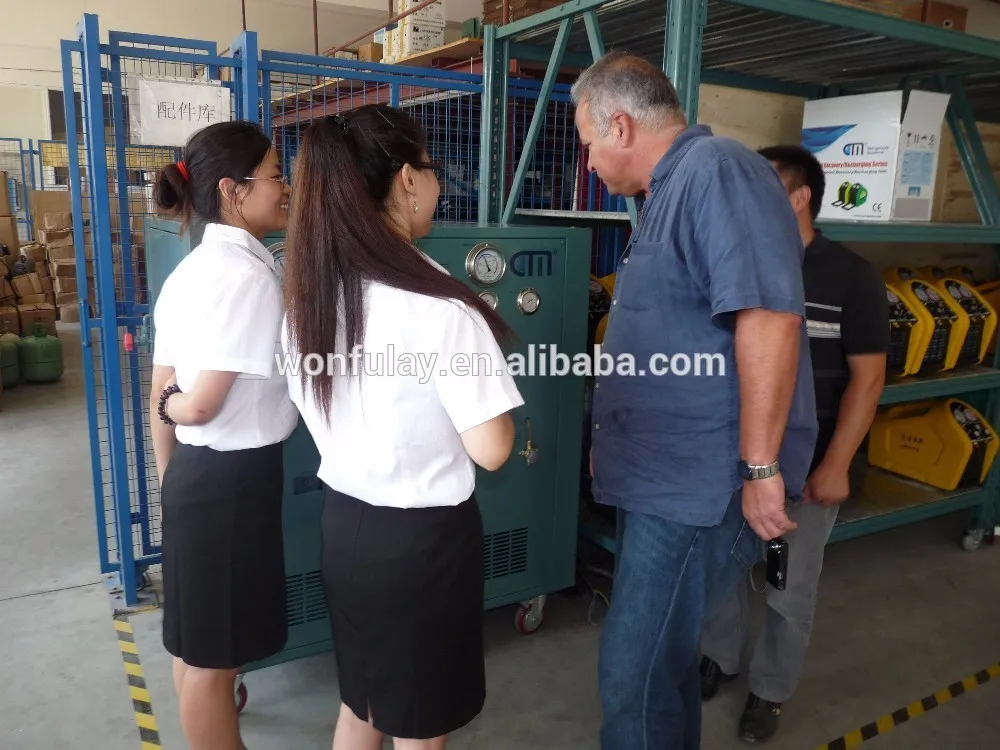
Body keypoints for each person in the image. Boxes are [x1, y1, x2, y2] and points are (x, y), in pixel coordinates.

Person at [571, 51, 819, 749]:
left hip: (696, 484)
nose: (588, 162)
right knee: (663, 664)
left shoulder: (718, 172)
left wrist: (762, 467)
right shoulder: (667, 194)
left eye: (588, 143)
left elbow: (767, 319)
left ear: (622, 126)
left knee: (635, 673)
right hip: (659, 477)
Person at [280, 104, 524, 750]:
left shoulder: (309, 297)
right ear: (408, 180)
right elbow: (494, 449)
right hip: (421, 549)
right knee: (419, 728)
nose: (438, 184)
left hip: (346, 530)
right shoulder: (440, 304)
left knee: (361, 704)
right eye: (432, 168)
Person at [700, 144, 888, 742]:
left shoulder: (851, 276)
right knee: (722, 572)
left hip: (804, 469)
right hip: (733, 461)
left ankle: (770, 689)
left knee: (787, 585)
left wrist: (836, 463)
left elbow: (868, 378)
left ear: (800, 197)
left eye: (763, 190)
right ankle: (720, 657)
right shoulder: (737, 263)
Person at [148, 121, 297, 750]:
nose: (286, 188)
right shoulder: (247, 280)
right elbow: (199, 402)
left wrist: (170, 481)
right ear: (233, 191)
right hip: (231, 485)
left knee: (196, 646)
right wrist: (175, 404)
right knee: (213, 660)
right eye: (276, 175)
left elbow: (159, 388)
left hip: (195, 477)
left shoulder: (191, 271)